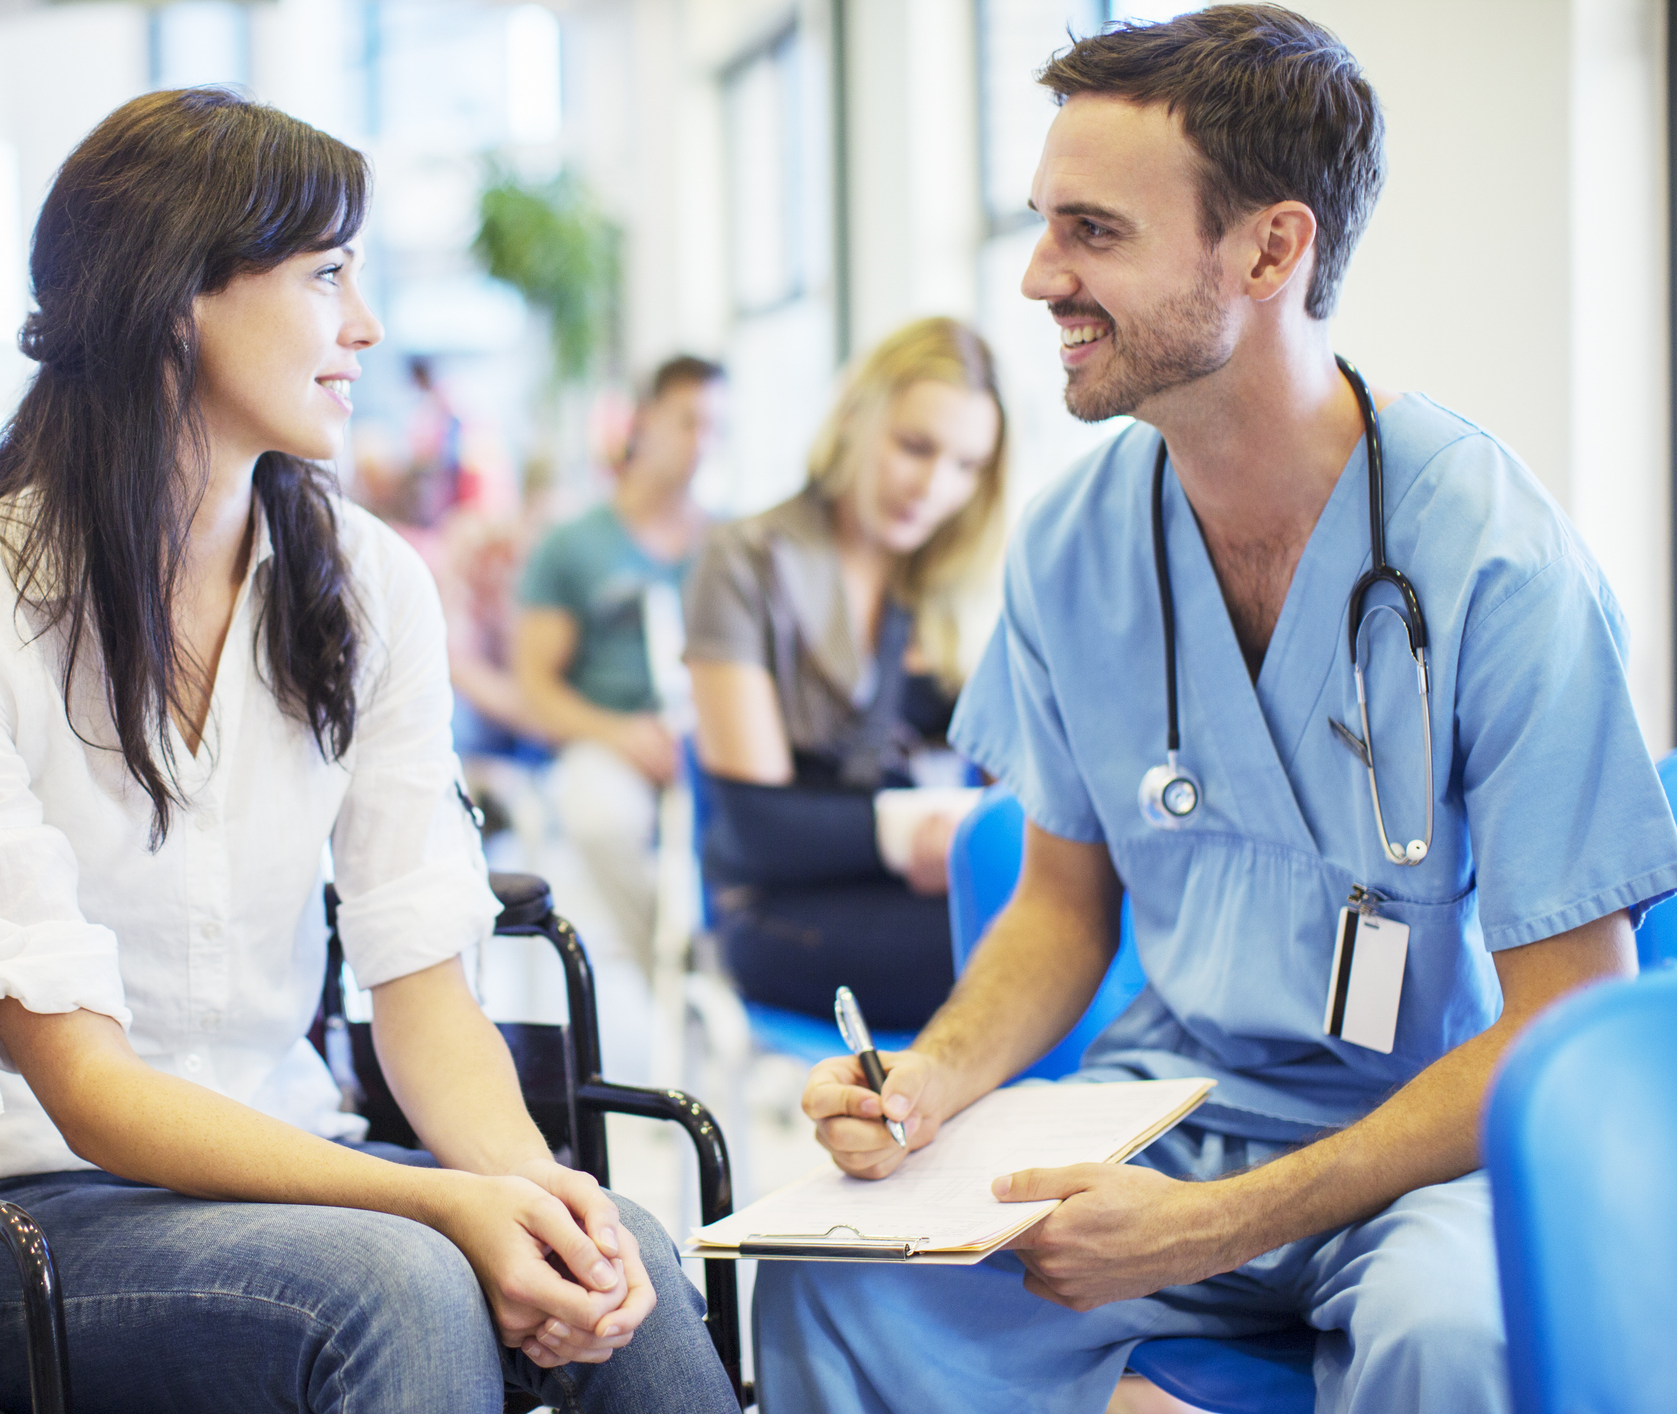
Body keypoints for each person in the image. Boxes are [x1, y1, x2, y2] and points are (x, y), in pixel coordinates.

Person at [758, 9, 1677, 1412]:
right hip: (1173, 1116)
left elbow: (1568, 1014)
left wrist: (1225, 1225)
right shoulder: (1073, 546)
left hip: (1426, 1145)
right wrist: (924, 1084)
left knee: (1457, 1339)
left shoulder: (1494, 557)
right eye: (1040, 224)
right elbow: (1064, 907)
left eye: (1092, 233)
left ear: (1269, 249)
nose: (1037, 277)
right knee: (835, 1273)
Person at [0, 89, 735, 1414]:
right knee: (403, 1279)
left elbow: (423, 988)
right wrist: (444, 1202)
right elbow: (90, 1091)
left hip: (303, 1173)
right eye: (326, 275)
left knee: (629, 1259)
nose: (365, 327)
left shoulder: (369, 585)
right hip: (26, 1218)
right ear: (174, 299)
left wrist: (526, 1187)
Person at [683, 317, 1005, 1031]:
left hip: (908, 892)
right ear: (856, 419)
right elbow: (757, 830)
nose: (932, 486)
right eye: (914, 447)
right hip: (778, 913)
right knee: (1035, 965)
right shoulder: (742, 562)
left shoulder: (948, 585)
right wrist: (914, 832)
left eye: (965, 466)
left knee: (1070, 934)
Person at [513, 356, 726, 967]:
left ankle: (737, 962)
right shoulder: (572, 545)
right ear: (644, 422)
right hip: (611, 741)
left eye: (717, 428)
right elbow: (534, 687)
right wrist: (620, 735)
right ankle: (684, 968)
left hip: (711, 739)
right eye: (689, 422)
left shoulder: (732, 545)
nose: (703, 443)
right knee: (599, 816)